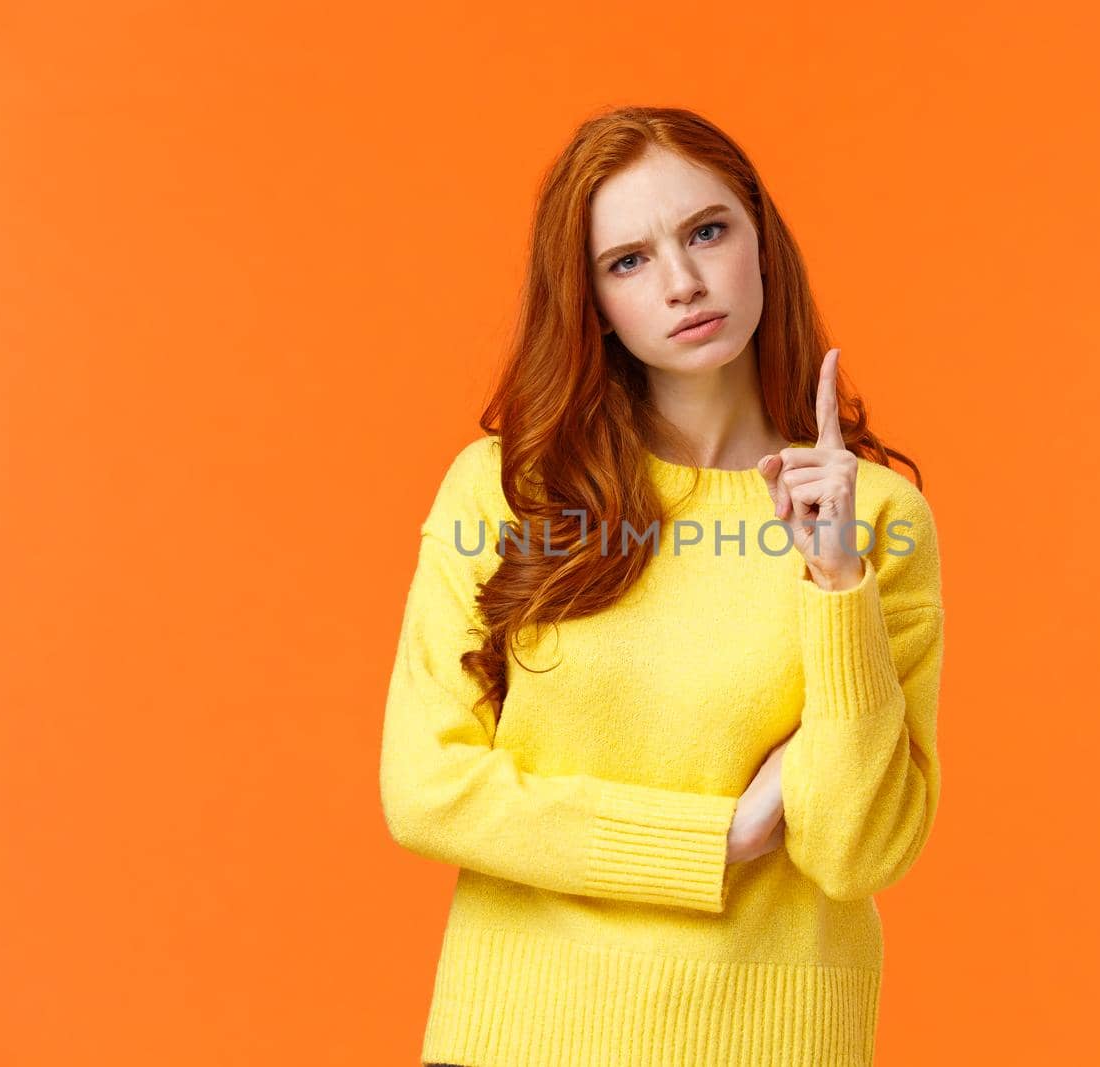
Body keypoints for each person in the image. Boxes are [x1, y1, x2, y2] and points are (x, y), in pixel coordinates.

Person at [380, 105, 945, 1067]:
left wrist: (834, 577)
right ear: (592, 299)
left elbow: (858, 850)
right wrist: (713, 838)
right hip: (517, 1036)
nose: (683, 281)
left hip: (771, 1040)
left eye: (707, 232)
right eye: (628, 260)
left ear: (762, 242)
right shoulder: (507, 488)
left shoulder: (874, 515)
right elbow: (427, 789)